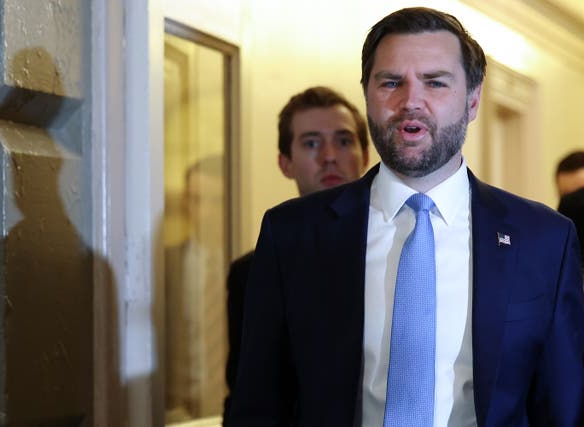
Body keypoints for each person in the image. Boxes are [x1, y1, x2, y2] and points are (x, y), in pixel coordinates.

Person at [228, 7, 584, 427]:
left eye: (435, 82)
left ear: (472, 100)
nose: (410, 101)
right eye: (391, 82)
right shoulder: (292, 235)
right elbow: (258, 403)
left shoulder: (543, 239)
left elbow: (564, 408)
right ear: (367, 96)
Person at [223, 86, 370, 423]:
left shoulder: (405, 251)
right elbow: (248, 392)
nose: (330, 155)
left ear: (365, 156)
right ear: (285, 163)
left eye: (344, 141)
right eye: (311, 143)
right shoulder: (251, 271)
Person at [165, 155, 228, 422]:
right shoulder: (166, 266)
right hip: (180, 413)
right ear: (185, 203)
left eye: (216, 201)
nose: (207, 211)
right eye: (197, 199)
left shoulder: (253, 266)